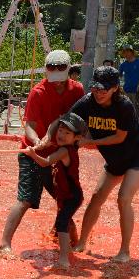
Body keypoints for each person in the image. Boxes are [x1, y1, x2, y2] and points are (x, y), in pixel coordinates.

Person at [48, 66, 139, 263]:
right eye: (95, 88)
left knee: (123, 198)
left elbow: (119, 137)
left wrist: (89, 141)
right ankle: (81, 242)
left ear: (115, 88)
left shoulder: (124, 106)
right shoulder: (87, 102)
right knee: (96, 197)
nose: (98, 93)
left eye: (103, 89)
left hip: (138, 156)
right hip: (115, 161)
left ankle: (124, 251)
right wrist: (48, 138)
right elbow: (64, 120)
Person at [0, 49, 85, 253]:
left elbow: (80, 120)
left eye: (60, 72)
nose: (55, 78)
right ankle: (4, 243)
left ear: (67, 70)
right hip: (32, 153)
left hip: (61, 155)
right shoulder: (38, 92)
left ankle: (70, 241)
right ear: (46, 70)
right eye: (51, 71)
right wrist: (37, 141)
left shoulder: (77, 91)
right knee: (25, 199)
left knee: (67, 199)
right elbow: (29, 124)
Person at [20, 112, 87, 269]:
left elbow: (44, 163)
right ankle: (70, 248)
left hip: (72, 196)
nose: (61, 135)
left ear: (77, 137)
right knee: (63, 222)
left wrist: (32, 154)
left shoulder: (64, 151)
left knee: (62, 223)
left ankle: (64, 259)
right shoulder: (64, 147)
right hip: (66, 195)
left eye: (67, 133)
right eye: (60, 130)